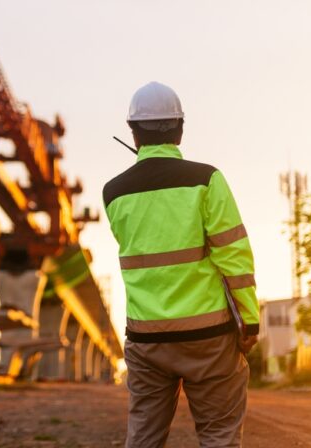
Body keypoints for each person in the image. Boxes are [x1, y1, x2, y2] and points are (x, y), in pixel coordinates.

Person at [103, 82, 259, 448]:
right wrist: (249, 319)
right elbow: (233, 255)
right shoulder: (207, 180)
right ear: (180, 129)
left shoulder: (114, 193)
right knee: (219, 436)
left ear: (133, 132)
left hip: (146, 340)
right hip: (209, 336)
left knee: (143, 439)